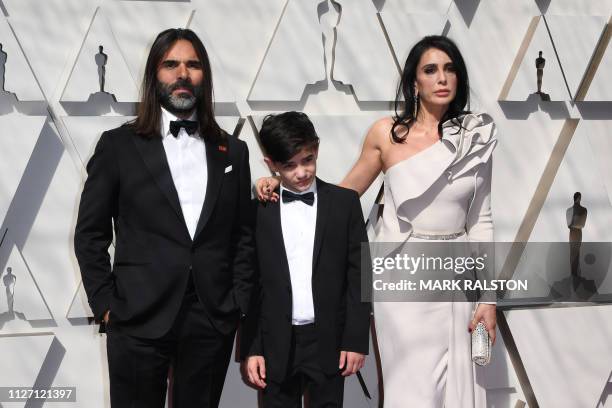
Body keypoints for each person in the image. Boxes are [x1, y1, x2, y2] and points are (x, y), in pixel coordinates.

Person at [256, 35, 498, 407]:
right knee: (410, 390)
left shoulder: (477, 136)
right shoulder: (386, 134)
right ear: (414, 83)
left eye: (450, 69)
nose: (442, 78)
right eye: (430, 70)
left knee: (458, 388)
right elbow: (341, 196)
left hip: (456, 275)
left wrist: (489, 297)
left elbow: (481, 220)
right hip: (401, 280)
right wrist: (285, 184)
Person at [74, 28, 254, 408]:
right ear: (154, 74)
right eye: (171, 64)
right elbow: (90, 234)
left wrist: (237, 301)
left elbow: (243, 236)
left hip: (211, 318)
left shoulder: (233, 152)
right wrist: (105, 302)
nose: (182, 73)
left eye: (193, 64)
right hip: (137, 315)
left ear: (205, 75)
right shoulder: (118, 146)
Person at [242, 111, 371, 407]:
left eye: (307, 160)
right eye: (289, 166)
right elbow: (251, 283)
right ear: (271, 165)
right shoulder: (259, 211)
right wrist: (253, 347)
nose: (301, 172)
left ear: (317, 150)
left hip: (329, 340)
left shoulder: (344, 203)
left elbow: (360, 275)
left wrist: (355, 340)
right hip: (275, 342)